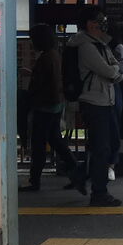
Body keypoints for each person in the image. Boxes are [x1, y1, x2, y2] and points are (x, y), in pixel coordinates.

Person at [73, 6, 123, 207]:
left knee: (107, 145)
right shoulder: (86, 46)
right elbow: (110, 71)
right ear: (90, 23)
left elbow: (115, 69)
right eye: (100, 20)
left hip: (105, 100)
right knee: (101, 148)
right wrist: (113, 71)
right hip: (94, 102)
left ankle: (83, 176)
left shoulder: (100, 44)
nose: (104, 23)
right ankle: (99, 192)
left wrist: (113, 70)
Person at [24, 24, 82, 193]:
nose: (32, 42)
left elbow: (40, 84)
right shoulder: (55, 55)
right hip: (55, 105)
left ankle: (34, 181)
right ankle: (76, 173)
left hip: (44, 106)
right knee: (56, 141)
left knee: (39, 144)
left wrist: (29, 96)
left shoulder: (45, 58)